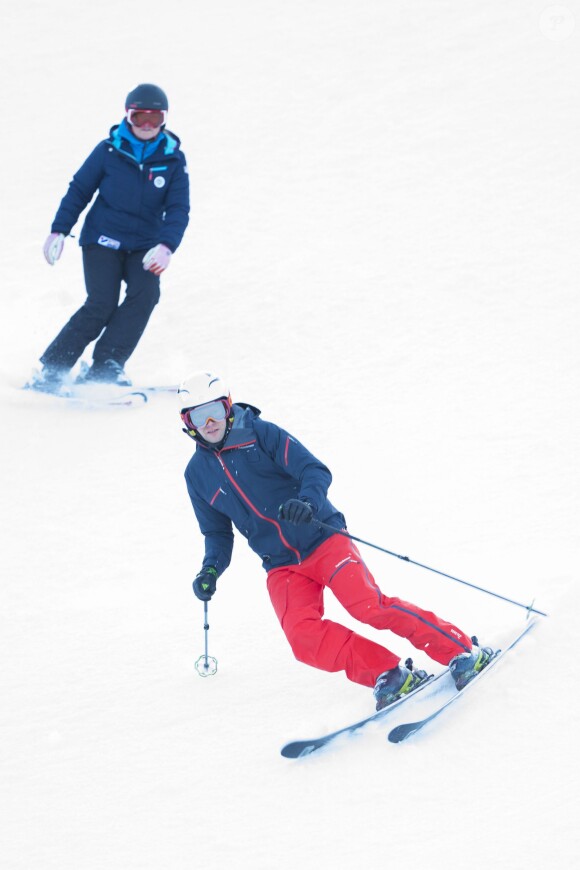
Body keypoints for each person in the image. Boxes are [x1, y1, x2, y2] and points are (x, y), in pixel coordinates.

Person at [179, 371, 493, 710]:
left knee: (368, 607)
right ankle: (389, 674)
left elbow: (314, 470)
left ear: (227, 407)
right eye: (199, 415)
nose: (209, 421)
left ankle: (460, 651)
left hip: (322, 537)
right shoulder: (196, 474)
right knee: (303, 639)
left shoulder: (261, 434)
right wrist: (210, 568)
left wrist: (308, 503)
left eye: (215, 410)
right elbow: (216, 532)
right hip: (282, 565)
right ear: (189, 423)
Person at [31, 83, 190, 392]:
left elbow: (179, 208)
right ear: (127, 117)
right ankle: (52, 369)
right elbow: (80, 189)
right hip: (102, 240)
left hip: (144, 246)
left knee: (146, 294)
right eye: (139, 117)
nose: (146, 126)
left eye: (154, 119)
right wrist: (59, 230)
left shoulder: (173, 160)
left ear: (164, 120)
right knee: (101, 303)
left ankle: (106, 364)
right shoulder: (108, 151)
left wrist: (166, 246)